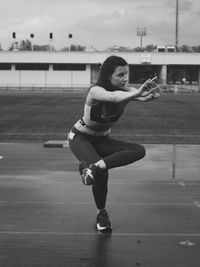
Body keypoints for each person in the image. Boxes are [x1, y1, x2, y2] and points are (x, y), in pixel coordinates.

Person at [68, 55, 160, 232]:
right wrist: (136, 94)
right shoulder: (96, 91)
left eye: (126, 73)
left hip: (102, 140)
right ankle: (101, 213)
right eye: (120, 75)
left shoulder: (126, 90)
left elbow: (136, 95)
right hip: (81, 138)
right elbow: (113, 97)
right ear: (107, 75)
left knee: (138, 150)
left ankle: (91, 168)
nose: (125, 78)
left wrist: (149, 96)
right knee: (103, 175)